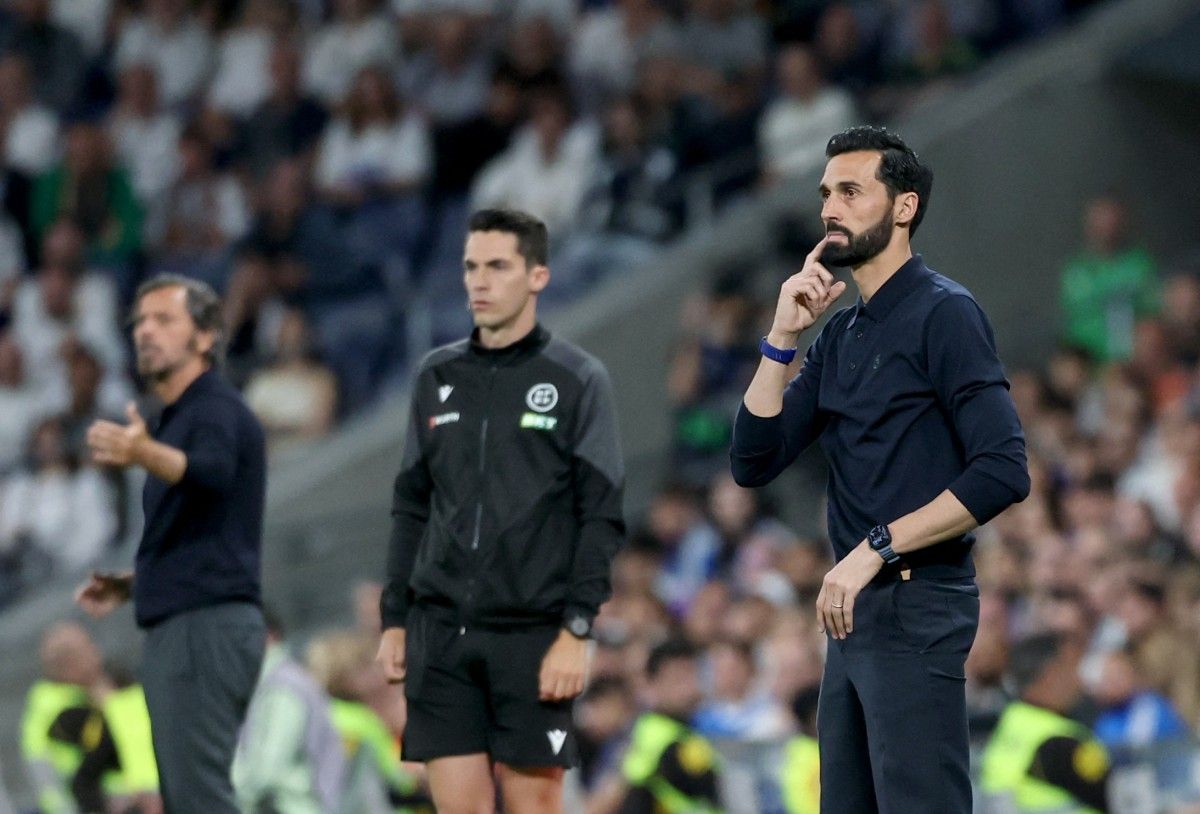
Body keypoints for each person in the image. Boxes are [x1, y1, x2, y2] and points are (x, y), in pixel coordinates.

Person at [730, 125, 1030, 814]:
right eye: (825, 194)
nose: (829, 208)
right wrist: (782, 336)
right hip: (854, 616)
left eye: (850, 191)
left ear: (904, 207)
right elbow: (753, 458)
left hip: (917, 601)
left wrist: (876, 547)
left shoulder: (945, 312)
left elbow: (1003, 469)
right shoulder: (841, 333)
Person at [375, 208, 626, 813]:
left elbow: (600, 517)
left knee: (534, 806)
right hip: (440, 633)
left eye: (497, 266)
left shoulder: (577, 378)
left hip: (534, 635)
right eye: (470, 267)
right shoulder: (435, 375)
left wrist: (577, 630)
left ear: (538, 276)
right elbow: (411, 507)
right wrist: (394, 619)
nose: (478, 282)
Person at [73, 274, 267, 814]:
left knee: (198, 798)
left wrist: (143, 454)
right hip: (190, 621)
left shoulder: (214, 408)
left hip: (203, 627)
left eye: (163, 319)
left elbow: (211, 473)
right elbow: (211, 531)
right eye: (139, 321)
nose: (145, 331)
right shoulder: (179, 419)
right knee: (187, 797)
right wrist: (137, 584)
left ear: (205, 336)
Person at [980, 633, 1111, 813]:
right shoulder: (1061, 743)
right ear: (1051, 674)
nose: (1080, 679)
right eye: (1074, 666)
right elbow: (1118, 796)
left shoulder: (1011, 723)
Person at [233, 612, 346, 814]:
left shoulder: (282, 688)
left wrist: (225, 796)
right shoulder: (285, 680)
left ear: (268, 635)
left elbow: (267, 768)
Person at [617, 638, 723, 814]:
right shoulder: (659, 737)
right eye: (677, 680)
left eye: (692, 676)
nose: (688, 688)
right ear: (652, 685)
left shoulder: (693, 727)